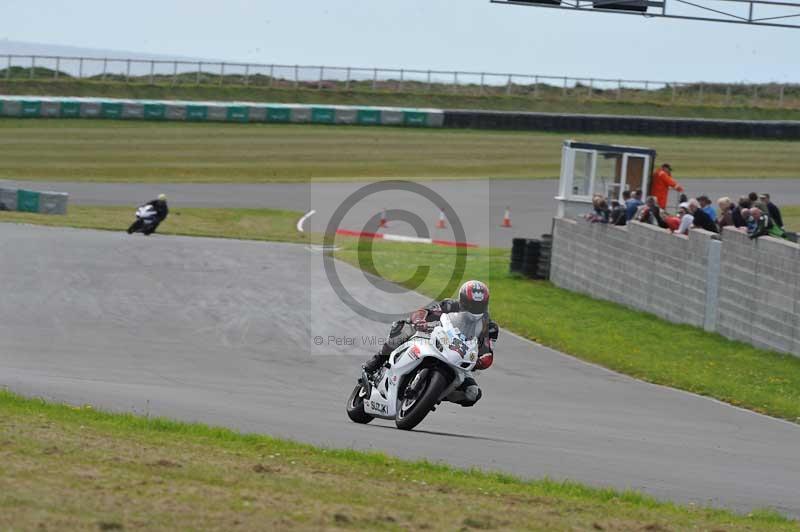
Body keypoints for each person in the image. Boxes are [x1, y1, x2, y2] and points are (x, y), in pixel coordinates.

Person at [363, 280, 498, 407]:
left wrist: (481, 361)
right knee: (403, 328)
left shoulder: (490, 327)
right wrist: (419, 320)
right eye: (471, 304)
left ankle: (434, 394)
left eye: (479, 305)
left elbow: (488, 351)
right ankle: (379, 359)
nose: (474, 309)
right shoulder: (450, 305)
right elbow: (424, 312)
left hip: (460, 360)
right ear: (462, 300)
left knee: (472, 393)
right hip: (436, 340)